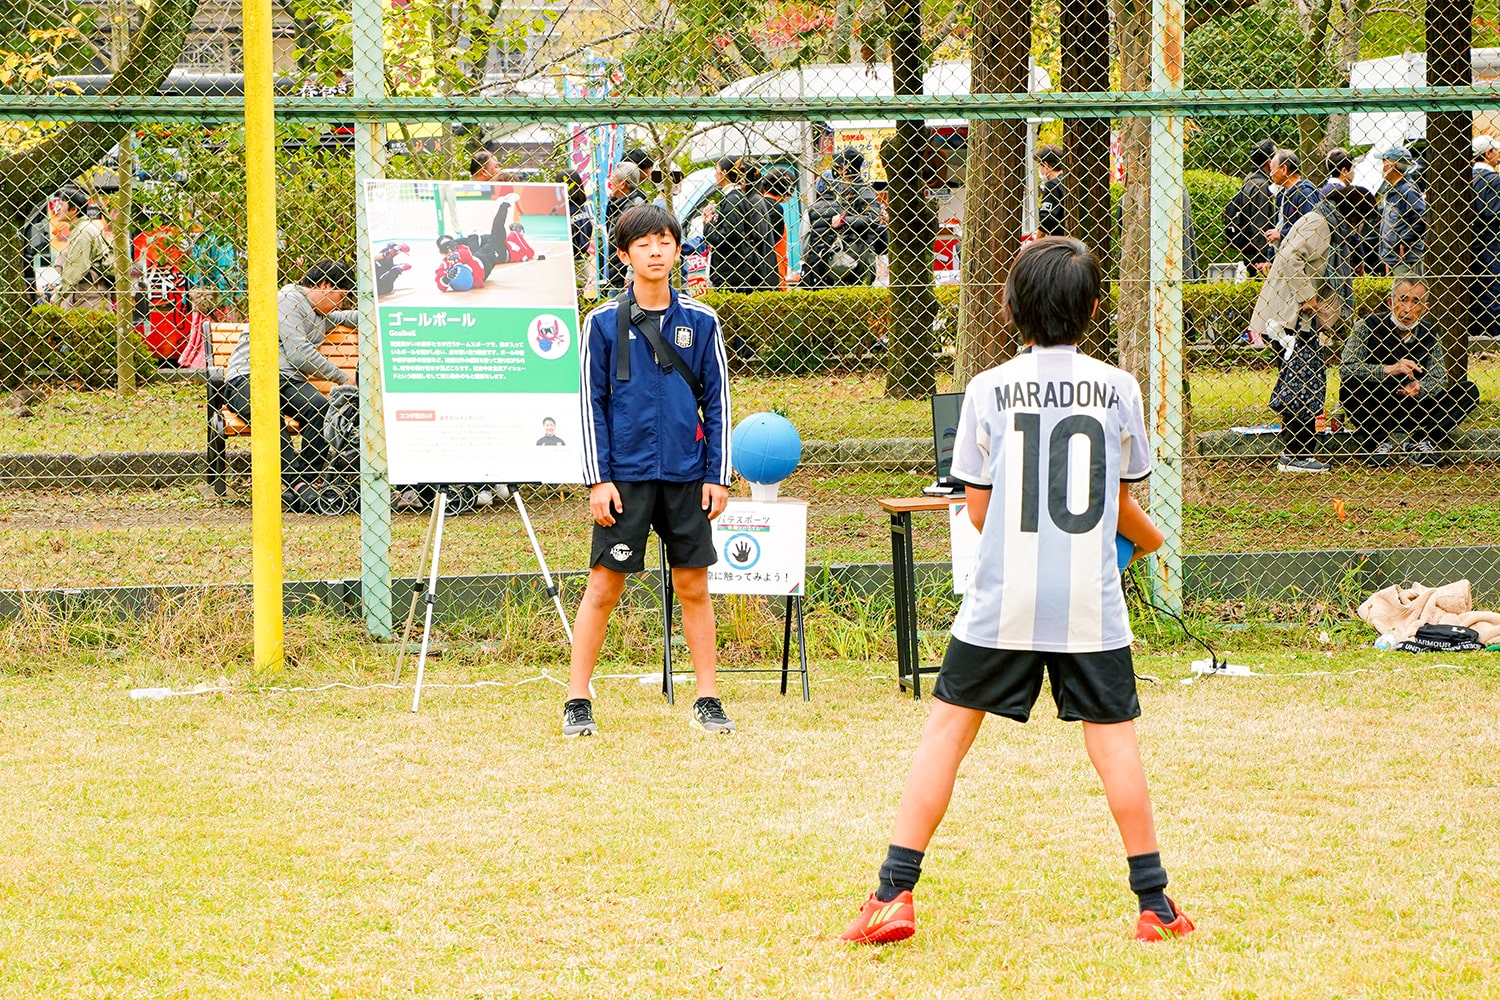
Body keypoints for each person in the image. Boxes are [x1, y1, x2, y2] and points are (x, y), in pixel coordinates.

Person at [839, 236, 1191, 946]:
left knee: (945, 733)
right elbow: (1117, 499)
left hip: (1003, 598)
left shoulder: (988, 389)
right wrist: (1148, 540)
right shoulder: (1119, 388)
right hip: (1089, 602)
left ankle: (892, 894)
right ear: (1094, 308)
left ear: (1010, 308)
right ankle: (1155, 904)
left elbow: (977, 509)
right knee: (1115, 742)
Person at [566, 204, 734, 737]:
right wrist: (598, 479)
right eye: (644, 244)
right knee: (604, 586)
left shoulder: (702, 321)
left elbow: (719, 402)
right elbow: (588, 405)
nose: (656, 251)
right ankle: (577, 700)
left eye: (665, 241)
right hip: (625, 477)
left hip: (687, 474)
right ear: (624, 255)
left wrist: (717, 474)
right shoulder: (600, 323)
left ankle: (707, 698)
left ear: (678, 249)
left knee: (693, 586)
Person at [222, 260, 358, 501]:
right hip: (249, 377)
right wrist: (342, 377)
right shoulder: (287, 300)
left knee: (320, 410)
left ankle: (303, 481)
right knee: (268, 415)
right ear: (325, 285)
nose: (341, 303)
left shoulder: (320, 314)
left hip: (288, 380)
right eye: (341, 295)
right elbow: (299, 354)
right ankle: (298, 486)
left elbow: (347, 316)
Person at [1338, 275, 1480, 467]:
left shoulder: (1429, 333)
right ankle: (1378, 442)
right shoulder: (1367, 326)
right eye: (1402, 300)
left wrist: (1420, 388)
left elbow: (1439, 377)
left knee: (1468, 392)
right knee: (1349, 386)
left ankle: (1421, 441)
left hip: (1416, 405)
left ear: (1425, 307)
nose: (1407, 309)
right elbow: (1347, 368)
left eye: (1416, 302)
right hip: (1378, 402)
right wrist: (1387, 370)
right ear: (1390, 302)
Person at [1269, 279, 1343, 473]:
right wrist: (1307, 296)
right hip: (1297, 321)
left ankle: (1298, 454)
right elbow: (1291, 261)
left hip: (1299, 321)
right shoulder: (1310, 248)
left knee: (1303, 389)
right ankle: (1297, 455)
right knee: (1300, 391)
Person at [802, 148, 883, 288]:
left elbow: (873, 219)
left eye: (837, 167)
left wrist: (844, 220)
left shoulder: (863, 190)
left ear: (845, 170)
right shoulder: (843, 190)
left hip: (859, 258)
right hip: (844, 256)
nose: (835, 170)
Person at [704, 157, 775, 292]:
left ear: (724, 172)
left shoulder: (732, 200)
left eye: (717, 171)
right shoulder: (736, 197)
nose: (715, 174)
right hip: (736, 267)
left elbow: (728, 236)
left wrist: (708, 225)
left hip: (732, 270)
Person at [1222, 138, 1278, 273]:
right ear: (1269, 162)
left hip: (1250, 251)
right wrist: (1265, 258)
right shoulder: (1260, 186)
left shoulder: (1250, 179)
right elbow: (1260, 224)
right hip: (1258, 256)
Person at [55, 190, 111, 310]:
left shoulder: (83, 232)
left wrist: (58, 296)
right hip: (91, 296)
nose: (57, 209)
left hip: (89, 298)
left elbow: (76, 268)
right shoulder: (84, 228)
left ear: (74, 209)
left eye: (61, 205)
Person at [1378, 146, 1426, 274]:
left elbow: (1421, 218)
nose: (1381, 166)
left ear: (1391, 164)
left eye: (1383, 161)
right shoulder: (1394, 189)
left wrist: (1405, 241)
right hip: (1395, 258)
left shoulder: (1407, 189)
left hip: (1406, 258)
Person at [1471, 135, 1500, 338]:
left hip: (1471, 244)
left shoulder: (1465, 179)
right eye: (1496, 151)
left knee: (1478, 289)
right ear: (1488, 153)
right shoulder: (1494, 181)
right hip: (1493, 242)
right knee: (1494, 289)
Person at [602, 162, 648, 289]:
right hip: (616, 273)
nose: (610, 183)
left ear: (622, 184)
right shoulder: (618, 205)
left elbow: (638, 242)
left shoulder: (634, 207)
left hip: (624, 277)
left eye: (613, 179)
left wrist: (631, 273)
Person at [1266, 149, 1321, 249]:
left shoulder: (1305, 193)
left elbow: (1309, 228)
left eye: (1272, 169)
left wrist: (1281, 234)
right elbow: (1279, 224)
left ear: (1284, 169)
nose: (1270, 174)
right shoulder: (1281, 195)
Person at [1034, 143, 1067, 237]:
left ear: (1046, 164)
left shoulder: (1052, 185)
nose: (1039, 170)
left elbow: (1047, 220)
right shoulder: (1067, 181)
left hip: (1059, 239)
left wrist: (1037, 242)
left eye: (1039, 166)